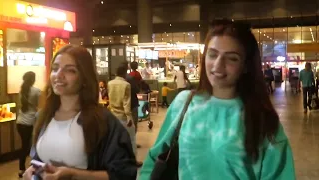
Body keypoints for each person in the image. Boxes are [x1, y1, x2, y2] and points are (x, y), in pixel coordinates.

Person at [139, 19, 295, 179]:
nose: (218, 65)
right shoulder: (184, 103)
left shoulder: (263, 119)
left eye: (232, 58)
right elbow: (154, 159)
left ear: (246, 65)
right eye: (212, 55)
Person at [23, 45, 137, 180]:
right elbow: (37, 158)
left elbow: (124, 173)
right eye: (55, 68)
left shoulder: (102, 121)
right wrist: (32, 170)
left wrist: (74, 174)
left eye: (70, 70)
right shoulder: (43, 117)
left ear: (84, 77)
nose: (59, 75)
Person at [108, 64, 142, 167]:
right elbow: (126, 103)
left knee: (115, 139)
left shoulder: (110, 83)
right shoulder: (126, 85)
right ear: (124, 73)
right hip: (123, 116)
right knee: (131, 139)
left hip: (113, 115)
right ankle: (133, 161)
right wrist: (129, 117)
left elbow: (110, 99)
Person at [16, 71, 41, 178]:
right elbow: (40, 105)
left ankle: (22, 168)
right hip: (29, 122)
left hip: (20, 122)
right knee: (30, 146)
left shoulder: (21, 91)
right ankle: (29, 168)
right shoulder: (36, 91)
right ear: (33, 79)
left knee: (25, 146)